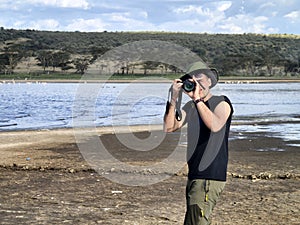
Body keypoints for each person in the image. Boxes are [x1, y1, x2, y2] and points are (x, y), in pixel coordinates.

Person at [164, 61, 233, 225]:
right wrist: (173, 98)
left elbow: (215, 126)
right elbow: (170, 127)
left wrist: (197, 99)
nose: (195, 81)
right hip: (195, 174)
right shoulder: (191, 106)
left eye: (199, 76)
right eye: (191, 78)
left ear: (209, 81)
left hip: (209, 175)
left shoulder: (222, 102)